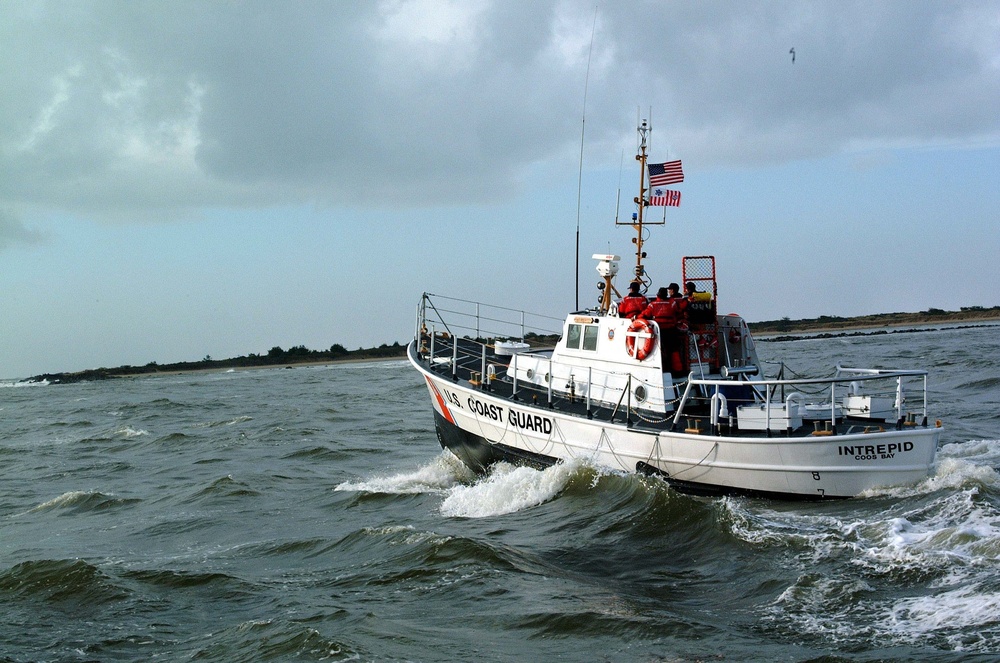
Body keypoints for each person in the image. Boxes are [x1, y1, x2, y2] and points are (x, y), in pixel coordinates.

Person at [639, 284, 688, 375]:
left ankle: (662, 369)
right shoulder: (672, 303)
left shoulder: (652, 305)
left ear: (658, 295)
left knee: (658, 350)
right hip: (671, 330)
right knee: (674, 350)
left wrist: (636, 318)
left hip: (659, 331)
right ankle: (678, 370)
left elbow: (644, 315)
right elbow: (678, 311)